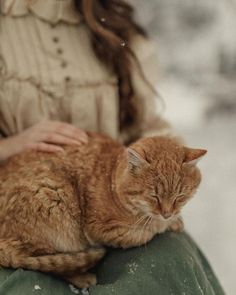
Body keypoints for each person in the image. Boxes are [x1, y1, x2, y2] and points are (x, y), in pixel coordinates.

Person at [0, 1, 225, 294]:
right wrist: (10, 145)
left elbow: (149, 126)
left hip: (128, 193)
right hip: (20, 208)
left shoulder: (111, 18)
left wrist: (170, 175)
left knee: (166, 273)